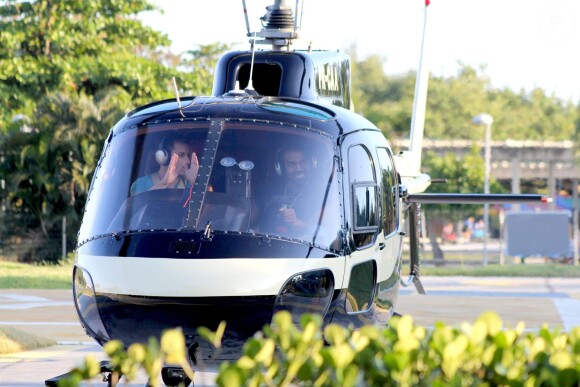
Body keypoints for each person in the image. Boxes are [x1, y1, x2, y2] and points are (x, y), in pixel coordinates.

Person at [258, 144, 319, 236]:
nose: (299, 169)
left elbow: (327, 216)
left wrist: (302, 224)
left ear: (312, 164)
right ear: (280, 168)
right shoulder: (269, 189)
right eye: (292, 164)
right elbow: (251, 216)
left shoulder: (320, 191)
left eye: (303, 163)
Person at [130, 134, 199, 195]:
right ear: (164, 156)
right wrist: (164, 183)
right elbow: (138, 205)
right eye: (181, 155)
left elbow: (207, 203)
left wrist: (196, 181)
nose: (188, 161)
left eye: (187, 155)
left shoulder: (188, 182)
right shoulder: (141, 184)